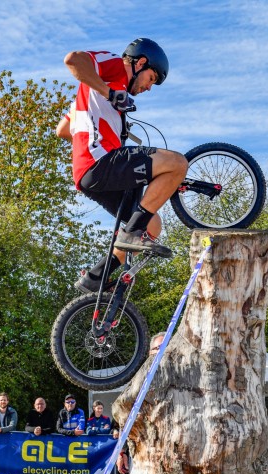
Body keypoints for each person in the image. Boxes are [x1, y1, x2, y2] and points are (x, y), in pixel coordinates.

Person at [58, 38, 186, 293]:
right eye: (151, 79)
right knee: (176, 163)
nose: (149, 88)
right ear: (139, 63)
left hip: (90, 177)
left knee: (151, 225)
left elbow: (62, 130)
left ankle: (96, 277)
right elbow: (72, 59)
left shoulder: (94, 92)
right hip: (100, 162)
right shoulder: (117, 65)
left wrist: (105, 118)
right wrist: (108, 95)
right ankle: (130, 234)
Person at [57, 394, 86, 474]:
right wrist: (72, 433)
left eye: (72, 402)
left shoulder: (80, 412)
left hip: (78, 444)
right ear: (65, 404)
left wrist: (72, 432)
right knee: (68, 467)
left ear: (75, 403)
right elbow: (59, 428)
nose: (70, 404)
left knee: (77, 467)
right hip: (65, 444)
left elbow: (81, 429)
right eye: (68, 402)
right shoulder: (62, 412)